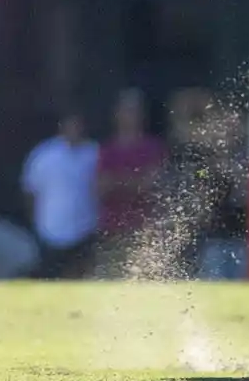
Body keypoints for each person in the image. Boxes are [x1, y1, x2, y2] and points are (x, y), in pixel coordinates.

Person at [20, 110, 100, 279]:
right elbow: (30, 191)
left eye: (78, 126)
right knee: (52, 277)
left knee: (83, 277)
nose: (75, 129)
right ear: (62, 127)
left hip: (85, 228)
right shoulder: (43, 155)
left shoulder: (93, 152)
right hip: (51, 229)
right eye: (71, 125)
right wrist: (35, 221)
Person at [95, 87, 168, 269]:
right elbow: (100, 189)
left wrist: (117, 181)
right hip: (112, 231)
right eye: (126, 110)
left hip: (145, 231)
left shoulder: (153, 148)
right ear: (117, 114)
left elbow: (151, 186)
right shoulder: (107, 149)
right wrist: (135, 180)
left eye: (134, 111)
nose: (130, 116)